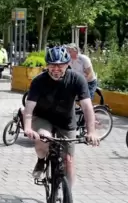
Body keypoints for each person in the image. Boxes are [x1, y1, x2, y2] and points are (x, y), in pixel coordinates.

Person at [23, 46, 100, 187]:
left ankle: (67, 197)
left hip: (66, 121)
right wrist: (28, 128)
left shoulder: (77, 80)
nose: (56, 69)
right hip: (43, 117)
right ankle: (41, 160)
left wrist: (92, 132)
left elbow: (87, 107)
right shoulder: (38, 81)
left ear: (67, 64)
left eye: (60, 65)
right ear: (47, 65)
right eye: (52, 65)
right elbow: (29, 108)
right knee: (43, 137)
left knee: (68, 160)